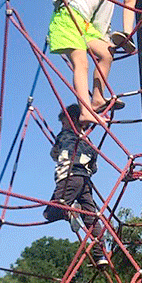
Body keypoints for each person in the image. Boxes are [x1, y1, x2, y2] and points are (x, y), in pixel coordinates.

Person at [34, 0, 122, 126]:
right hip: (68, 16)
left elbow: (103, 15)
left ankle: (98, 98)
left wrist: (105, 34)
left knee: (107, 51)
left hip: (86, 25)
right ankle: (84, 110)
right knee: (81, 62)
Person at [43, 104, 108, 267]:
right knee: (91, 217)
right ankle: (101, 255)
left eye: (64, 123)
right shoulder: (89, 141)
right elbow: (95, 166)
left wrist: (58, 150)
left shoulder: (64, 135)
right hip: (85, 181)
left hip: (68, 178)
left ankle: (70, 213)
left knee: (50, 213)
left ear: (72, 121)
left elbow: (53, 154)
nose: (62, 126)